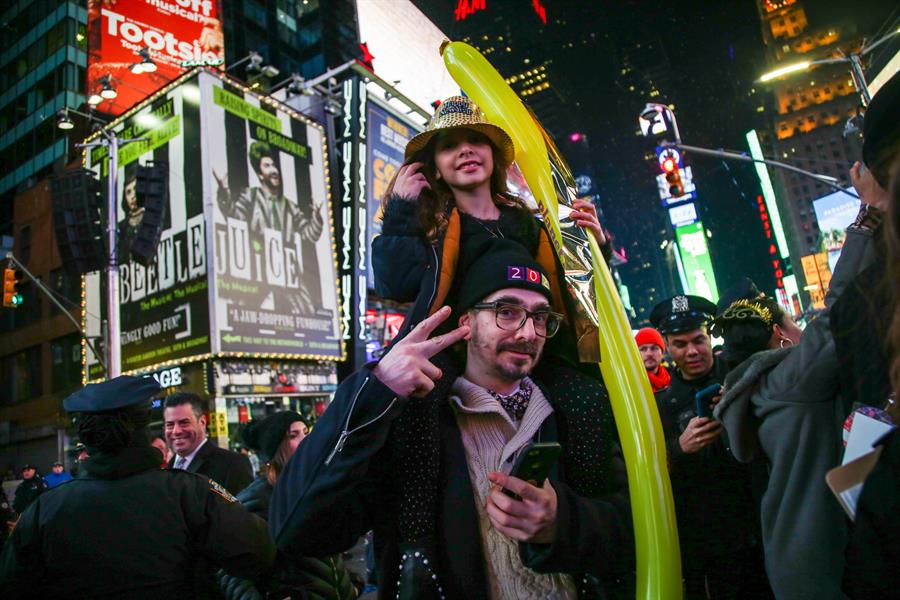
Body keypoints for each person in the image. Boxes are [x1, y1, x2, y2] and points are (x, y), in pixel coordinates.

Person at [270, 239, 632, 599]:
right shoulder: (414, 424)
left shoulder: (578, 411)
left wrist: (563, 522)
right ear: (466, 323)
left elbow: (639, 527)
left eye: (540, 317)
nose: (527, 332)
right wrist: (374, 390)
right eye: (506, 312)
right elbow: (297, 530)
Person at [0, 375, 274, 599]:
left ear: (87, 439)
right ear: (144, 429)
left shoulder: (43, 511)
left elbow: (14, 585)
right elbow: (259, 552)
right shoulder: (190, 492)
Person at [649, 294, 769, 598]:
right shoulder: (660, 406)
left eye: (698, 339)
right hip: (710, 541)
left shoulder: (743, 375)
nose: (692, 351)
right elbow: (647, 469)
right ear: (668, 348)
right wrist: (679, 447)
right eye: (680, 344)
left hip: (762, 522)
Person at [218, 412, 355, 600]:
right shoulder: (259, 499)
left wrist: (352, 583)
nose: (305, 440)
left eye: (306, 432)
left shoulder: (313, 487)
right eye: (293, 435)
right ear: (276, 447)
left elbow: (329, 552)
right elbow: (232, 571)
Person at [214, 140, 324, 314]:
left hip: (288, 273)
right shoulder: (249, 196)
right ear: (259, 174)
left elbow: (309, 235)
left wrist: (317, 218)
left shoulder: (290, 206)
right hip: (258, 268)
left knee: (307, 312)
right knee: (242, 314)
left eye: (274, 165)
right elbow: (235, 216)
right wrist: (223, 191)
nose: (273, 170)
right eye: (267, 166)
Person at [164, 392, 253, 496]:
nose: (176, 431)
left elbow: (242, 510)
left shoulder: (233, 464)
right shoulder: (167, 469)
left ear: (202, 422)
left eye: (184, 422)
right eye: (170, 425)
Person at [634, 327, 670, 392]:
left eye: (654, 348)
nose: (649, 354)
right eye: (643, 349)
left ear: (662, 354)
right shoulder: (628, 381)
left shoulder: (675, 378)